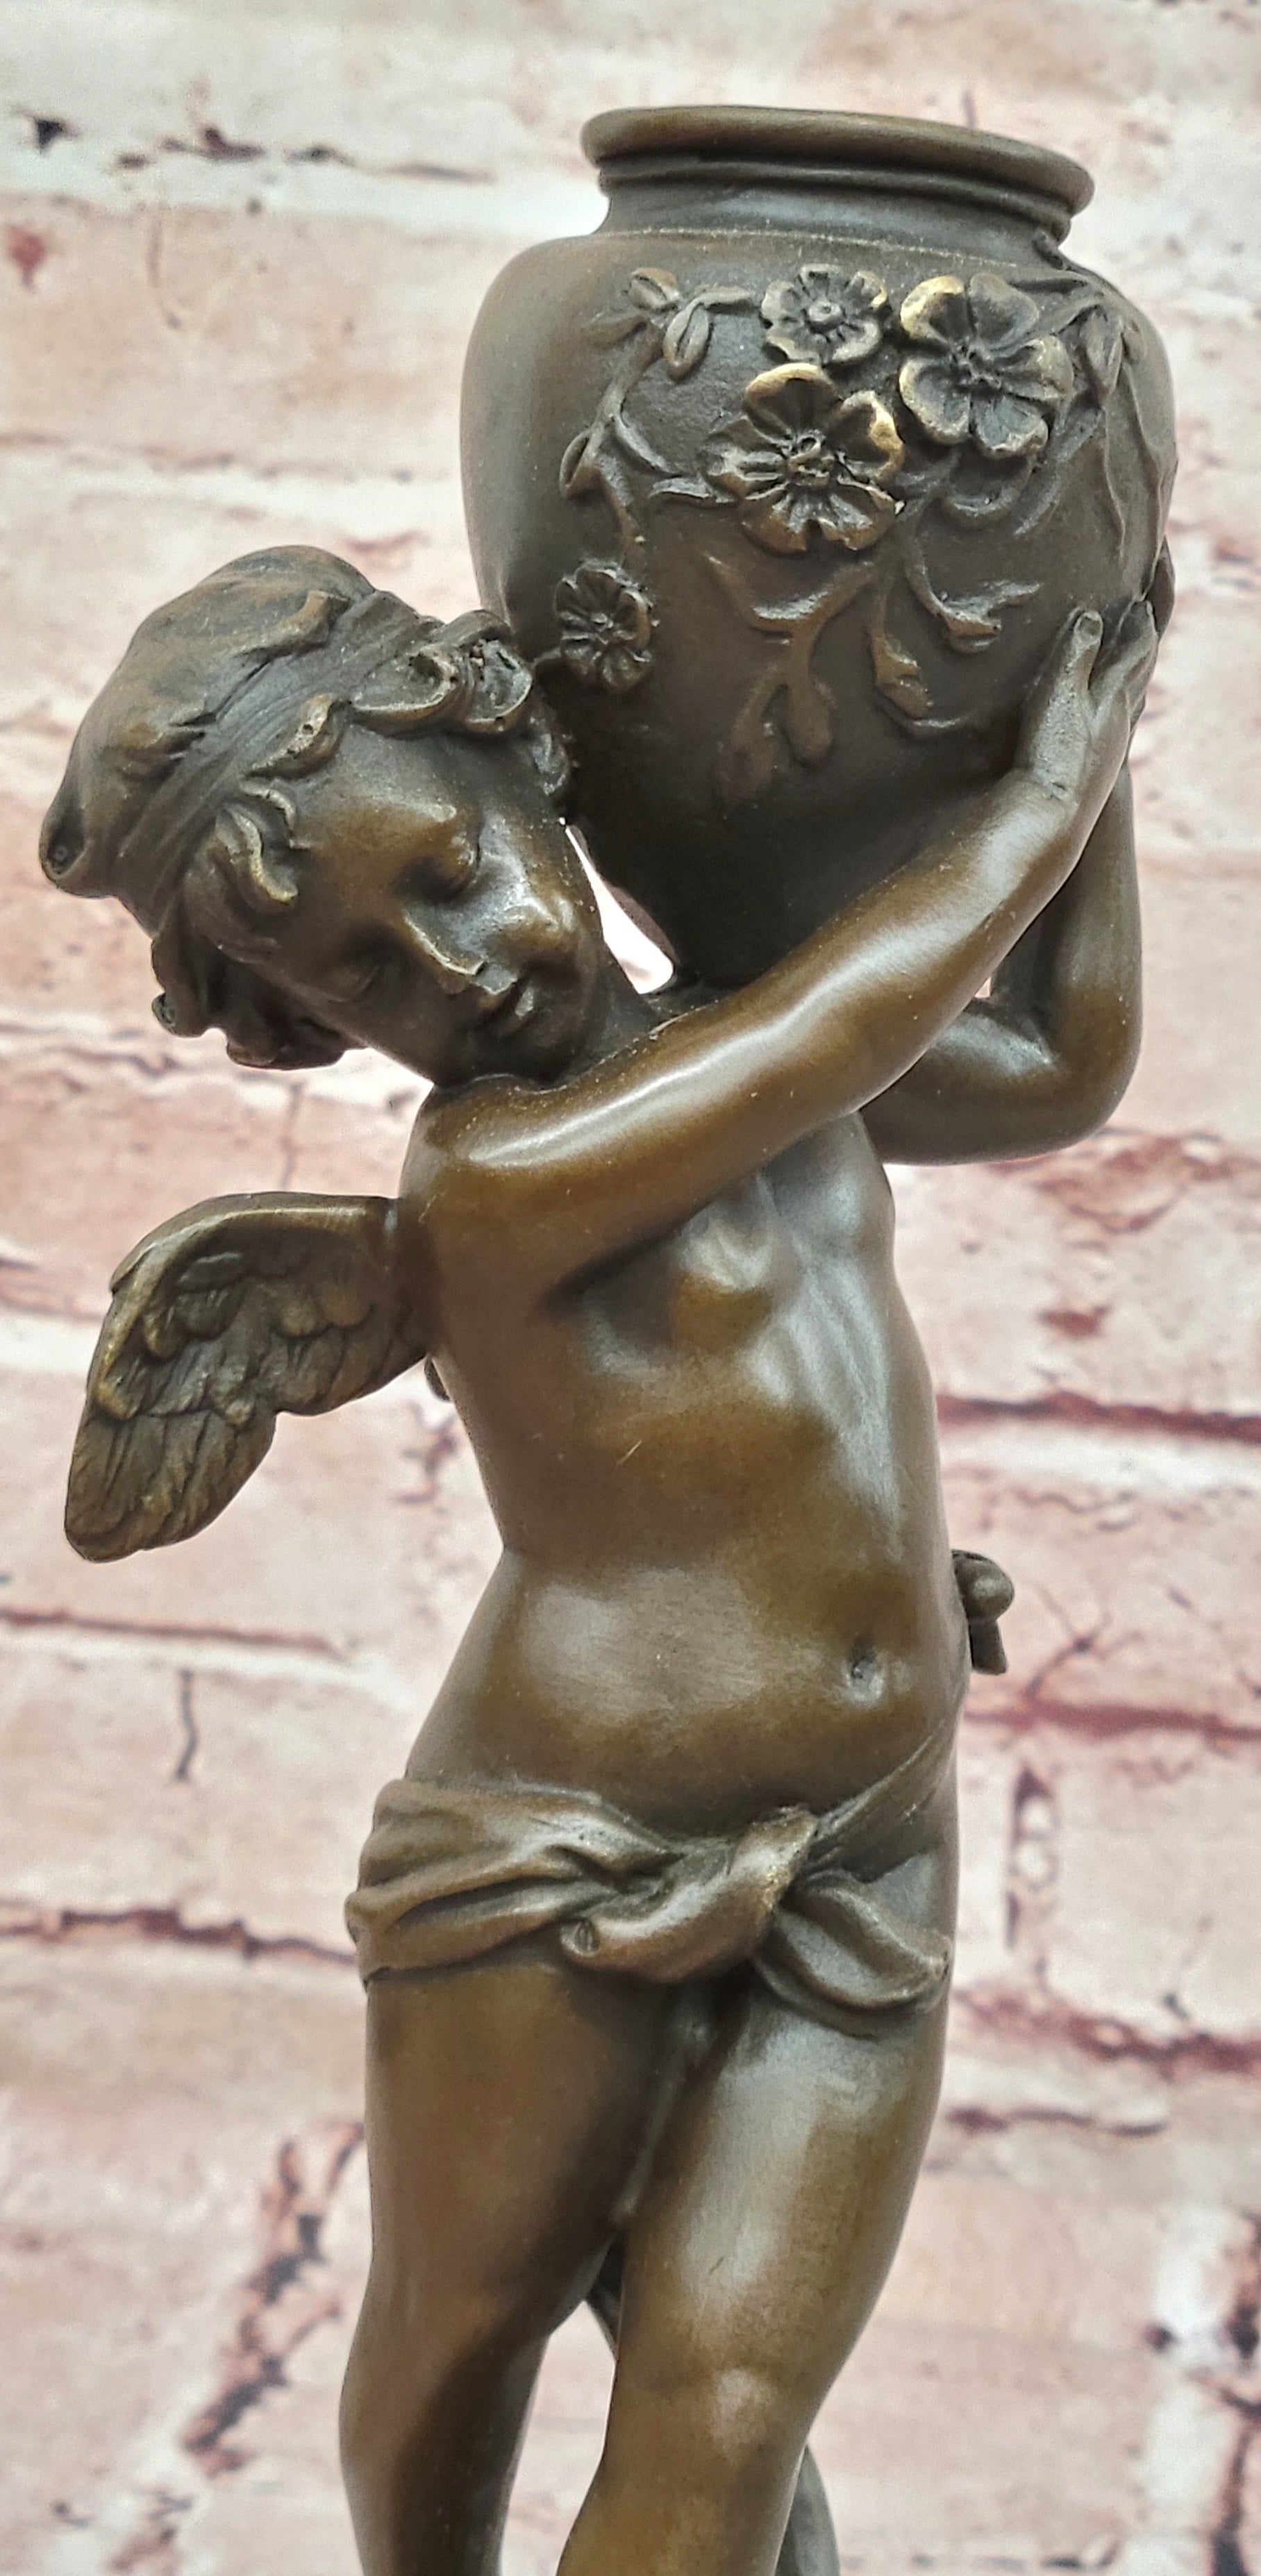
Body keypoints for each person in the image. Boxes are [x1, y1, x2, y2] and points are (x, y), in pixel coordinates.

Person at [42, 547, 1159, 2576]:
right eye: (367, 974)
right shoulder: (492, 1179)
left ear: (527, 760)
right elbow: (853, 1020)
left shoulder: (750, 1039)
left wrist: (1097, 703)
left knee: (725, 2406)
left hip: (867, 1840)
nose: (457, 967)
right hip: (556, 1852)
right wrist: (1035, 800)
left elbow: (1064, 1065)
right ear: (303, 1025)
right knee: (451, 2349)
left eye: (454, 871)